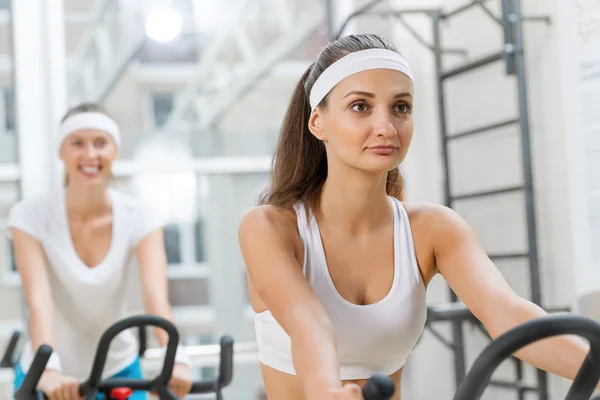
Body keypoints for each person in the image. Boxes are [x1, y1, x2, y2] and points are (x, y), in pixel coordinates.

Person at [238, 34, 595, 400]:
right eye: (361, 106)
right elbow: (308, 323)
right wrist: (326, 390)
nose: (387, 127)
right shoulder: (269, 228)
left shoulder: (435, 230)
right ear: (318, 122)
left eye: (401, 107)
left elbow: (509, 316)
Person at [6, 103, 193, 400]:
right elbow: (38, 301)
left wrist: (177, 359)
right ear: (61, 151)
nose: (90, 155)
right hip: (47, 367)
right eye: (77, 143)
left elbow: (156, 296)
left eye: (100, 143)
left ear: (115, 151)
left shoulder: (139, 215)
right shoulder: (29, 215)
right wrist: (50, 368)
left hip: (117, 364)